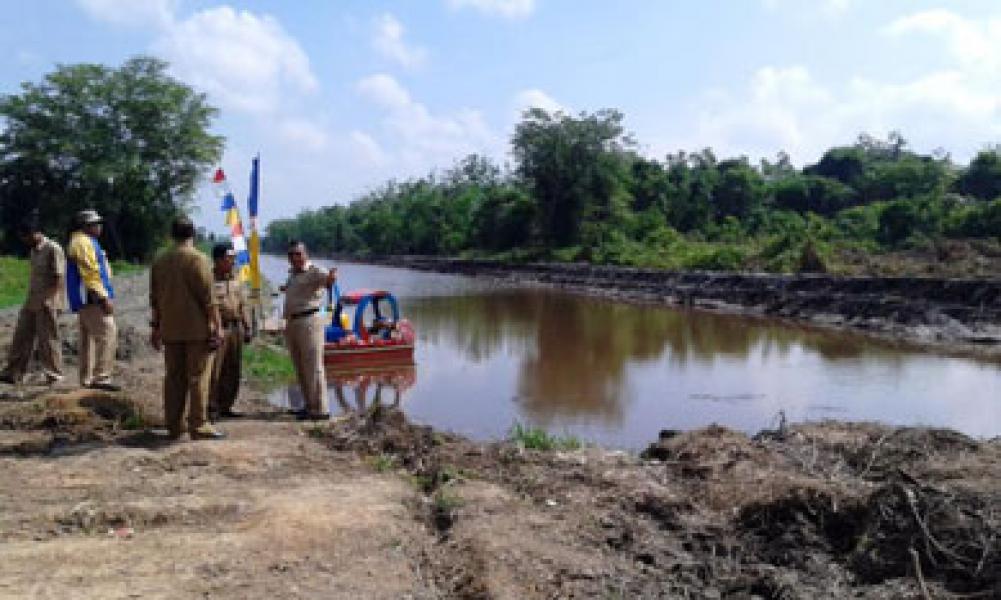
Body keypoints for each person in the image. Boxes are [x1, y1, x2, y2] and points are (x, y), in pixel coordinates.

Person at [149, 218, 225, 440]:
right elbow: (209, 299)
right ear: (193, 234)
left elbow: (154, 299)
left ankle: (174, 425)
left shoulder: (160, 261)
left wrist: (156, 328)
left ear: (171, 235)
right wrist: (218, 327)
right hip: (196, 329)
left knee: (173, 378)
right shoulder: (198, 260)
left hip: (170, 328)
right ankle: (198, 425)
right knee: (198, 377)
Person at [0, 217, 66, 385]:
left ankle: (54, 375)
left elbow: (59, 277)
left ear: (36, 233)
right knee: (21, 336)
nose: (25, 240)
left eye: (26, 236)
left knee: (48, 340)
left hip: (48, 301)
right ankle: (13, 372)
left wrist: (49, 300)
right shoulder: (33, 251)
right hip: (32, 300)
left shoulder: (53, 248)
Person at [66, 209, 120, 391]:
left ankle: (86, 378)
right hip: (91, 298)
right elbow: (90, 272)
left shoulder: (84, 241)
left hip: (86, 299)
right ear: (87, 227)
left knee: (87, 339)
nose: (100, 227)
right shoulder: (82, 242)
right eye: (96, 224)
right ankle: (101, 377)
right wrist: (102, 297)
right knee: (108, 332)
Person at [282, 241, 337, 420]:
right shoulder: (292, 274)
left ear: (305, 254)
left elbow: (328, 282)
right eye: (291, 255)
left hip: (310, 321)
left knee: (313, 366)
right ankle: (308, 405)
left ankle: (321, 409)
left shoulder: (315, 270)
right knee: (300, 366)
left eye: (298, 254)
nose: (295, 258)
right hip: (293, 322)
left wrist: (331, 279)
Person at [208, 243, 251, 420]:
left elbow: (243, 305)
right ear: (218, 260)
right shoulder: (209, 280)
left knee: (233, 369)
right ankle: (211, 407)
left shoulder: (235, 280)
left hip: (236, 329)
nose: (232, 262)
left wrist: (247, 327)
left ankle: (227, 405)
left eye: (233, 258)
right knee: (215, 370)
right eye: (228, 258)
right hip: (220, 329)